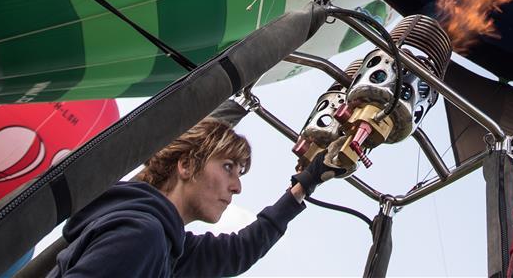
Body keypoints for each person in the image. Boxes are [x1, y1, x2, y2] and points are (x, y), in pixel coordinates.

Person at [47, 116, 341, 277]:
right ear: (186, 165)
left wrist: (304, 186)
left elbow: (236, 252)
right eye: (228, 168)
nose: (237, 187)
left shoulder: (167, 243)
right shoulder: (143, 236)